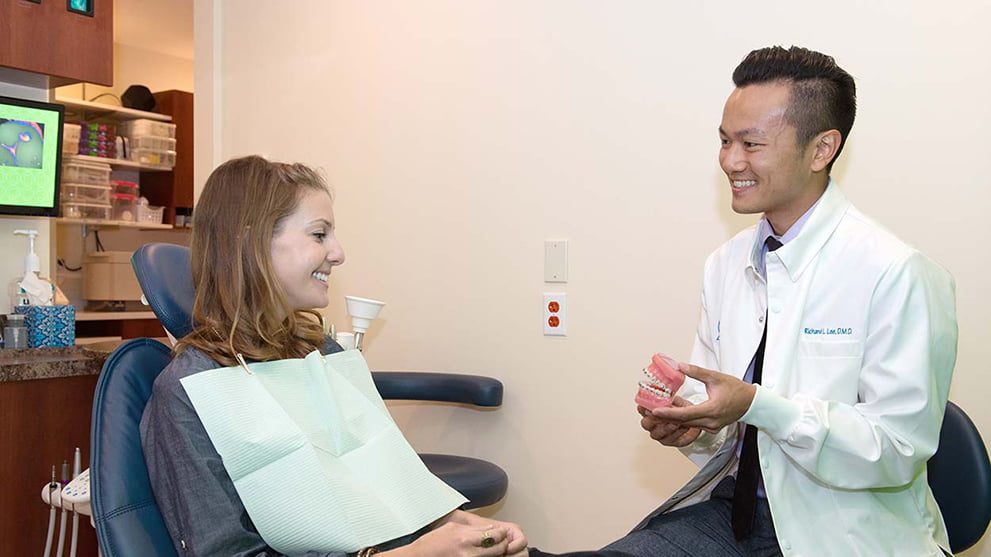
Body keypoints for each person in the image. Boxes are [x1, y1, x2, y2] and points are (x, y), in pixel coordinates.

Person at [140, 155, 634, 557]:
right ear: (251, 242)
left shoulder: (321, 354)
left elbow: (391, 488)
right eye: (319, 234)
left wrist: (466, 528)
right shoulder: (189, 393)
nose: (338, 253)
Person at [603, 46, 958, 556]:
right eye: (724, 141)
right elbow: (723, 425)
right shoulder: (725, 265)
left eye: (751, 143)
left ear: (821, 149)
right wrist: (691, 426)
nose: (730, 161)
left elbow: (897, 451)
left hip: (845, 529)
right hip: (735, 514)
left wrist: (758, 405)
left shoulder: (898, 273)